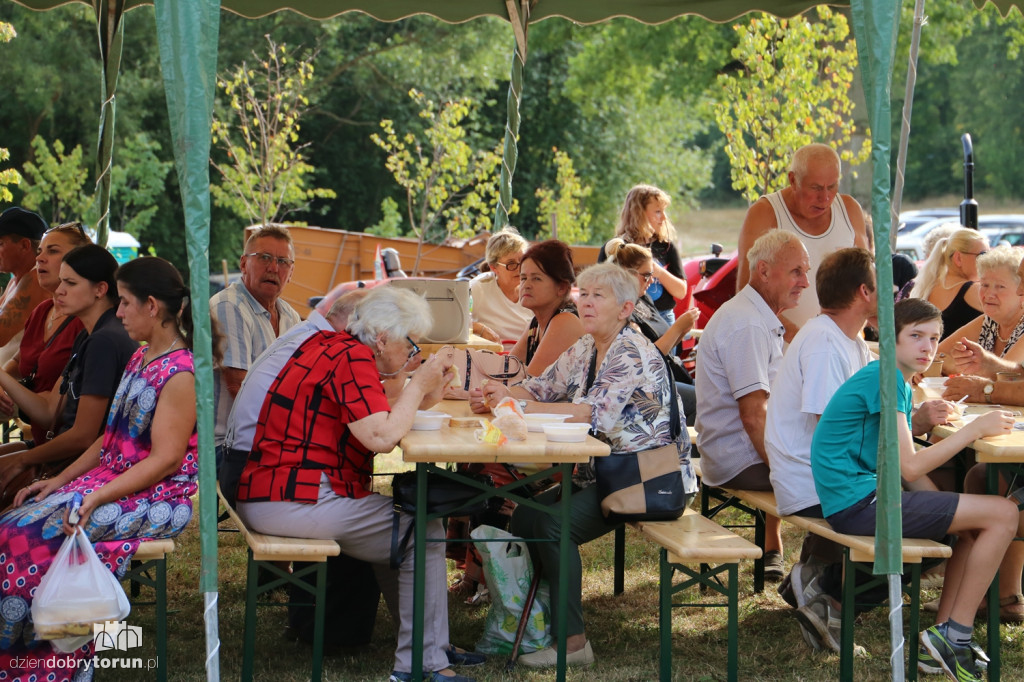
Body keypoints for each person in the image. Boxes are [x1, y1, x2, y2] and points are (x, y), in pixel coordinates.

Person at [234, 286, 481, 682]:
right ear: (383, 338)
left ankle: (429, 648)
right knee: (421, 528)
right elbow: (382, 437)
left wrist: (424, 388)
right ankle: (423, 665)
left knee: (402, 529)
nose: (411, 354)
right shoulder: (350, 357)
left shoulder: (333, 347)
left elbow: (382, 412)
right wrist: (418, 385)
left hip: (277, 491)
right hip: (294, 498)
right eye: (410, 343)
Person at [479, 263, 695, 668]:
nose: (586, 301)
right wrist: (500, 392)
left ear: (626, 308)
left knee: (552, 524)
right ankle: (535, 622)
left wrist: (515, 404)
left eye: (599, 296)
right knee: (526, 515)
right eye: (584, 293)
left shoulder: (629, 350)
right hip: (603, 471)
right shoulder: (587, 344)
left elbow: (591, 416)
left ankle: (573, 643)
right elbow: (545, 384)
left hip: (646, 479)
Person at [0, 256, 207, 676]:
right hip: (117, 481)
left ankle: (49, 662)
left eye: (126, 303)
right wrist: (57, 481)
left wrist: (94, 497)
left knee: (28, 534)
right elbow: (109, 439)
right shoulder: (143, 356)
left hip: (158, 496)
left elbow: (165, 460)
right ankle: (26, 655)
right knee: (12, 524)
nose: (120, 312)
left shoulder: (182, 373)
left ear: (153, 306)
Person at [811, 298, 1018, 681]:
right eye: (916, 336)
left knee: (975, 525)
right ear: (890, 340)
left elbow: (903, 470)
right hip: (857, 503)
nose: (927, 347)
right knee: (1005, 512)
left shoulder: (894, 379)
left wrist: (949, 507)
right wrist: (975, 429)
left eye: (934, 338)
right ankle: (955, 636)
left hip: (861, 496)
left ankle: (939, 642)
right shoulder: (887, 380)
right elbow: (909, 466)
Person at [764, 248, 955, 651]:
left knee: (943, 494)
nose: (892, 295)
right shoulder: (824, 344)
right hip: (819, 482)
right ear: (866, 292)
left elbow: (868, 427)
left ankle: (826, 586)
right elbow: (833, 432)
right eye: (884, 286)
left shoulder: (845, 340)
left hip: (839, 477)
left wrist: (914, 421)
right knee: (941, 513)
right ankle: (826, 589)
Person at [695, 230, 810, 582]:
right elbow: (753, 416)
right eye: (796, 272)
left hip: (733, 451)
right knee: (841, 478)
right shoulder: (748, 323)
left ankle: (816, 573)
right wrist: (788, 470)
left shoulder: (754, 315)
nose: (805, 282)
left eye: (805, 271)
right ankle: (818, 579)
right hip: (736, 459)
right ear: (763, 271)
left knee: (839, 465)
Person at [0, 244, 138, 503]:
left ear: (100, 289)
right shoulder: (90, 334)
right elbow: (50, 410)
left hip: (81, 471)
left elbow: (83, 437)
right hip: (63, 458)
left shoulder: (104, 341)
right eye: (61, 281)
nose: (59, 290)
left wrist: (23, 459)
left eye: (70, 283)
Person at [736, 143, 869, 337]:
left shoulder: (849, 210)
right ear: (793, 179)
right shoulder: (764, 213)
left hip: (839, 344)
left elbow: (867, 282)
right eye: (815, 188)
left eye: (831, 187)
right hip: (781, 350)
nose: (824, 198)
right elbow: (747, 292)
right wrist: (799, 339)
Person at [211, 225, 302, 462]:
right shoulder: (229, 307)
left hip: (268, 438)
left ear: (291, 273)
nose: (274, 268)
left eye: (283, 262)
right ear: (243, 264)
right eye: (264, 258)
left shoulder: (289, 316)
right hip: (227, 445)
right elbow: (238, 390)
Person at [0, 222, 90, 444]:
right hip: (39, 437)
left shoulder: (86, 320)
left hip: (63, 447)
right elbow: (17, 361)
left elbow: (52, 413)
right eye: (39, 251)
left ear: (80, 259)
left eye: (53, 251)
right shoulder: (42, 310)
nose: (39, 258)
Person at [603, 236, 700, 423]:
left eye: (652, 274)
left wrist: (681, 330)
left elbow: (660, 340)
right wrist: (678, 327)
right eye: (646, 275)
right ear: (626, 273)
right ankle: (683, 450)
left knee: (717, 392)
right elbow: (647, 358)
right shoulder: (620, 309)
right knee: (702, 400)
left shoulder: (642, 298)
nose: (652, 280)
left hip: (666, 374)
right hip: (643, 387)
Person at [598, 184, 687, 325]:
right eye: (657, 212)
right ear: (638, 214)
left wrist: (659, 272)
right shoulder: (617, 247)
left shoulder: (666, 246)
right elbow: (601, 289)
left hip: (663, 316)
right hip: (627, 316)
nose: (664, 217)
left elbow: (681, 292)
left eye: (664, 211)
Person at [934, 245, 1024, 375]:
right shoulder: (988, 322)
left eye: (1000, 287)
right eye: (984, 285)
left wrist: (956, 367)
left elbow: (1006, 377)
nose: (989, 294)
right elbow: (935, 355)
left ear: (1020, 289)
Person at [508, 239, 584, 376]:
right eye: (523, 278)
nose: (527, 285)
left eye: (536, 278)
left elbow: (530, 383)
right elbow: (506, 369)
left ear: (561, 288)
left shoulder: (566, 321)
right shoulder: (536, 324)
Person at [908, 228, 988, 340]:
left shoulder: (929, 287)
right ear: (958, 258)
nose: (987, 261)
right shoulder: (973, 290)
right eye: (983, 255)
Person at [0, 207, 51, 366]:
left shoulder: (36, 280)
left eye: (0, 243)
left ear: (24, 245)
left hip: (13, 386)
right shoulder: (15, 281)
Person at [468, 226, 532, 348]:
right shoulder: (479, 288)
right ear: (494, 267)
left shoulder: (534, 288)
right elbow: (455, 323)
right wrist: (480, 329)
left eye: (523, 261)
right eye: (511, 264)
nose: (520, 269)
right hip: (493, 359)